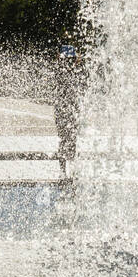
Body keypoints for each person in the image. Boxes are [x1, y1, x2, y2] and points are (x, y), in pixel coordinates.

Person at [54, 44, 81, 178]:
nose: (69, 62)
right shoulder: (64, 71)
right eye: (67, 59)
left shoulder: (69, 71)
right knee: (67, 140)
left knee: (68, 141)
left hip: (68, 111)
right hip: (66, 112)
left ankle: (67, 170)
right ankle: (65, 170)